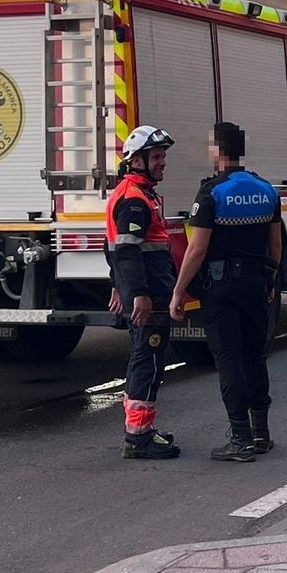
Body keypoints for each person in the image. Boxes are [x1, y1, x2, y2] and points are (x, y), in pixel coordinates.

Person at [170, 122, 284, 461]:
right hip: (256, 284)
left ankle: (240, 440)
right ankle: (262, 433)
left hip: (221, 288)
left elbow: (197, 249)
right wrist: (271, 281)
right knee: (254, 357)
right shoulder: (266, 190)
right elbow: (275, 244)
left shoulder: (211, 193)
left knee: (230, 360)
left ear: (218, 151)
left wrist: (178, 292)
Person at [106, 125, 180, 460]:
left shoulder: (136, 193)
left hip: (147, 292)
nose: (163, 162)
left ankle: (142, 430)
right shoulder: (134, 200)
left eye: (163, 156)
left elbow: (117, 249)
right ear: (137, 161)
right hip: (149, 297)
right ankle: (138, 436)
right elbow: (126, 251)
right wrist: (137, 293)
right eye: (157, 157)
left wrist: (120, 286)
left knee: (146, 359)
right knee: (148, 360)